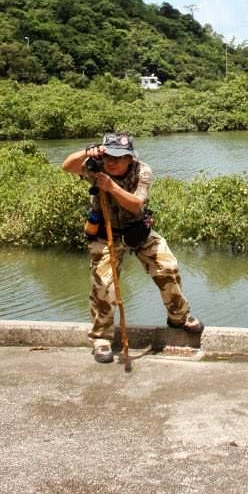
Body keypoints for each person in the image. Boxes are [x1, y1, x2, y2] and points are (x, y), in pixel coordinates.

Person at [62, 132, 203, 363]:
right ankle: (101, 338)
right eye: (109, 156)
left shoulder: (142, 171)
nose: (112, 162)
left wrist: (111, 187)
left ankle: (178, 317)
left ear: (130, 158)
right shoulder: (95, 166)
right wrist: (87, 152)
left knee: (167, 267)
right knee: (103, 284)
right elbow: (67, 166)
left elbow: (136, 204)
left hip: (136, 229)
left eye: (119, 158)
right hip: (106, 233)